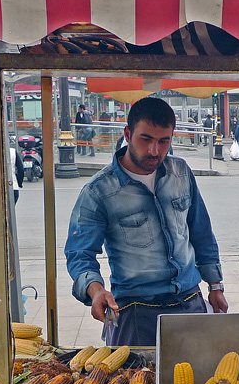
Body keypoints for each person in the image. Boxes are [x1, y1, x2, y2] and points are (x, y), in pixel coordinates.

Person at [65, 97, 227, 346]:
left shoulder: (181, 172)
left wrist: (215, 285)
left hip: (189, 301)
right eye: (146, 139)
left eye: (164, 141)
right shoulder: (98, 191)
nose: (155, 151)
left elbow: (201, 232)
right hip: (135, 311)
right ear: (128, 134)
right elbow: (79, 253)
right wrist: (96, 290)